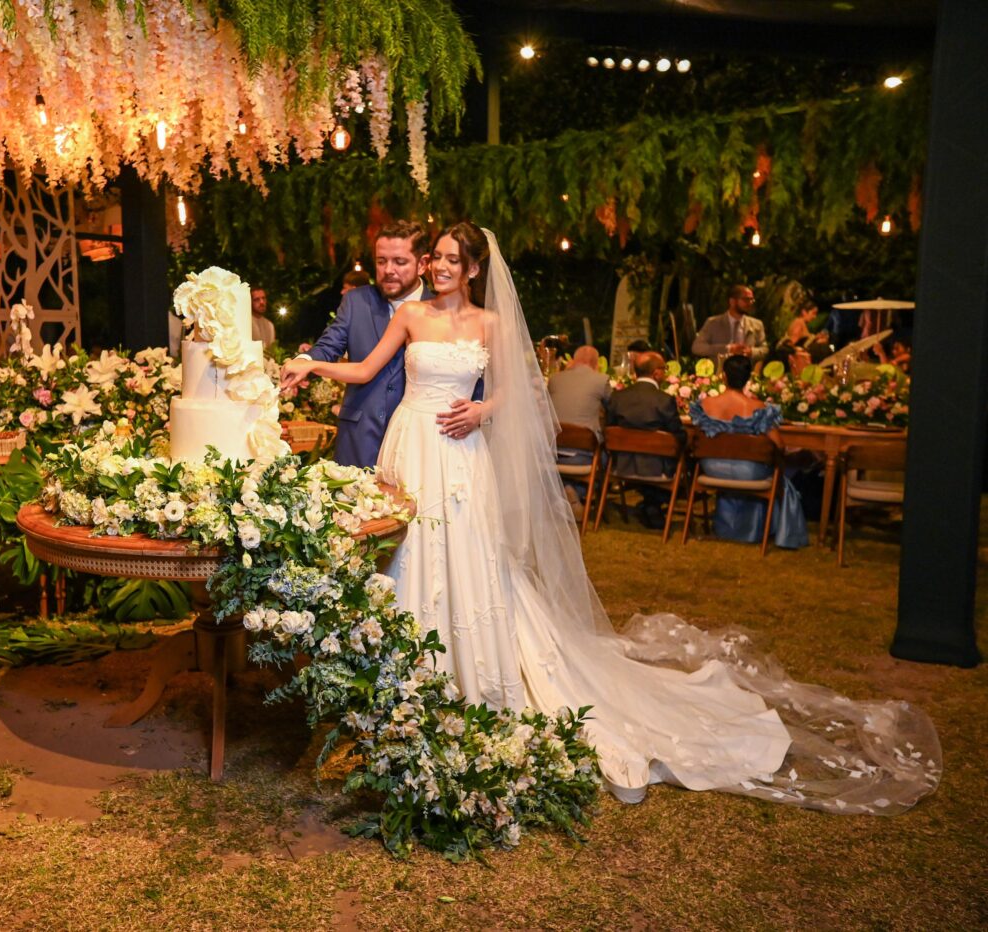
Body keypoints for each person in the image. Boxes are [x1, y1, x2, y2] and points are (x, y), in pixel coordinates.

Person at [280, 221, 937, 813]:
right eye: (439, 258)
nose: (441, 267)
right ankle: (392, 685)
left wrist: (482, 409)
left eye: (453, 259)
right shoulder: (412, 316)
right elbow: (365, 368)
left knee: (468, 561)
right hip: (411, 441)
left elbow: (520, 386)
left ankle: (466, 679)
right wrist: (310, 364)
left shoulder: (491, 325)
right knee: (404, 556)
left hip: (460, 451)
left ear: (474, 269)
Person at [294, 219, 481, 467]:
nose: (388, 269)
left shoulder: (442, 309)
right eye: (381, 261)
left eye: (400, 262)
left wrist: (479, 408)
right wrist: (305, 361)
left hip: (423, 443)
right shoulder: (357, 301)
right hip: (360, 440)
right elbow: (329, 346)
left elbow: (470, 372)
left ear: (423, 264)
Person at [688, 355, 809, 549]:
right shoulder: (758, 408)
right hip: (749, 472)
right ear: (747, 379)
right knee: (781, 476)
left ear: (723, 376)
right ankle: (765, 529)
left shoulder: (705, 406)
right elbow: (779, 444)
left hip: (711, 468)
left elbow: (695, 438)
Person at [604, 352, 685, 530]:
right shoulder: (664, 400)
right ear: (656, 373)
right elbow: (678, 436)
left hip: (622, 467)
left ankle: (649, 503)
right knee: (685, 456)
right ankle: (653, 503)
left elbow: (609, 431)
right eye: (664, 369)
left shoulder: (618, 397)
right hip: (657, 469)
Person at [547, 345, 610, 506]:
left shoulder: (555, 379)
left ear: (573, 361)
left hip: (551, 453)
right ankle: (577, 492)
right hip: (583, 456)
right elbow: (613, 409)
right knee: (606, 454)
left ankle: (565, 490)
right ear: (597, 363)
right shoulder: (601, 380)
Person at [692, 284, 768, 360]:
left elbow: (765, 350)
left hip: (746, 370)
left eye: (752, 299)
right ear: (732, 301)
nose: (750, 303)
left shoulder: (757, 324)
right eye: (746, 299)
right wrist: (728, 348)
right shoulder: (713, 323)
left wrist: (751, 351)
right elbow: (697, 347)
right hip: (721, 370)